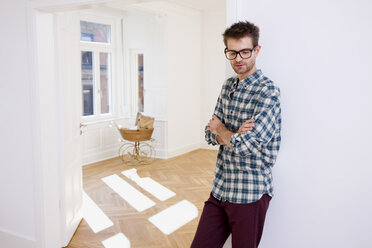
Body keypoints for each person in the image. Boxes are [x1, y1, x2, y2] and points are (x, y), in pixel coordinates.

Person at [191, 21, 282, 248]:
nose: (238, 58)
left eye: (244, 51)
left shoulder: (268, 91)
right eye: (232, 52)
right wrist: (232, 134)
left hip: (249, 193)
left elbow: (246, 145)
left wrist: (222, 130)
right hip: (220, 188)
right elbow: (208, 134)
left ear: (256, 50)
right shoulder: (227, 86)